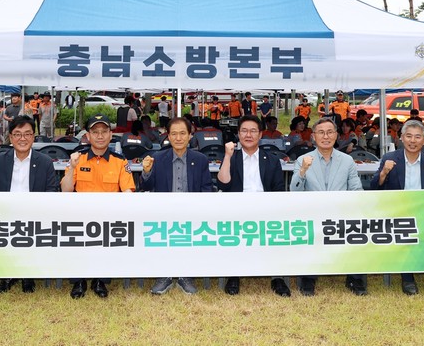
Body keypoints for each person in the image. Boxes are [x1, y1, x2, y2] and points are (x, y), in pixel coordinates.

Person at [0, 115, 59, 293]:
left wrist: (39, 208)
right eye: (18, 134)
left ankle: (27, 276)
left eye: (27, 134)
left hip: (34, 213)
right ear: (11, 137)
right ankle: (7, 275)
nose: (23, 138)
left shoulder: (44, 161)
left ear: (33, 137)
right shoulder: (0, 159)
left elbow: (52, 190)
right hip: (5, 213)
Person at [370, 119, 424, 300]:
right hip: (398, 212)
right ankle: (407, 278)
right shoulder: (390, 159)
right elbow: (374, 188)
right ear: (401, 138)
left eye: (417, 137)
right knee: (403, 228)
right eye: (409, 136)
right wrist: (383, 173)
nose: (413, 141)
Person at [60, 114, 135, 299]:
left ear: (110, 135)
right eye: (95, 132)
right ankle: (79, 281)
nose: (100, 136)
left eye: (104, 132)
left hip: (109, 217)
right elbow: (66, 190)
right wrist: (72, 167)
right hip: (80, 216)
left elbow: (128, 191)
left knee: (109, 236)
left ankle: (100, 280)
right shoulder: (78, 159)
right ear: (88, 136)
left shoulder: (120, 161)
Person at [217, 115, 291, 297]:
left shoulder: (271, 160)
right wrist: (227, 156)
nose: (248, 135)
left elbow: (278, 190)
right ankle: (234, 275)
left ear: (260, 135)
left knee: (277, 227)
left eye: (253, 131)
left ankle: (277, 277)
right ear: (238, 134)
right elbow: (223, 185)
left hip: (266, 209)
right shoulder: (232, 158)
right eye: (244, 131)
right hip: (236, 210)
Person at [291, 118, 366, 296]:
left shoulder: (347, 160)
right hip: (312, 215)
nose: (326, 136)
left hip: (341, 213)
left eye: (330, 132)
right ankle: (308, 279)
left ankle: (355, 278)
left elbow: (356, 189)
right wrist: (302, 171)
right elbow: (294, 191)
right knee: (306, 230)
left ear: (336, 135)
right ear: (313, 136)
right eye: (321, 133)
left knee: (357, 229)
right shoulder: (303, 160)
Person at [140, 117, 212, 295]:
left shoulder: (200, 160)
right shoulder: (158, 158)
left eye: (182, 133)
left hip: (192, 213)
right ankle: (164, 276)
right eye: (174, 134)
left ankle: (185, 276)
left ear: (190, 136)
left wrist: (201, 211)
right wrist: (146, 172)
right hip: (163, 213)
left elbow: (206, 189)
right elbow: (146, 187)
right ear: (168, 136)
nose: (178, 138)